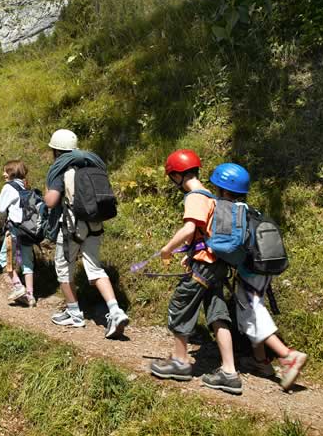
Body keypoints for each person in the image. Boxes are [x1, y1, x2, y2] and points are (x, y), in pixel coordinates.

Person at [209, 163, 308, 391]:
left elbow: (227, 246)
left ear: (224, 190)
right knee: (255, 308)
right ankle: (261, 361)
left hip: (250, 272)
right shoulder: (251, 209)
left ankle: (288, 356)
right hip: (264, 269)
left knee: (252, 313)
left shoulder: (230, 210)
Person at [149, 150, 242, 395]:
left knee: (180, 305)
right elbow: (206, 236)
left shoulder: (195, 196)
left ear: (177, 176)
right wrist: (190, 256)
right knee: (217, 314)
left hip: (204, 266)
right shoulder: (213, 197)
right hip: (217, 265)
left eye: (172, 177)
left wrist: (167, 249)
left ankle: (180, 363)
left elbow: (189, 229)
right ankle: (230, 373)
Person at [44, 129, 129, 339]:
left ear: (56, 151)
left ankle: (74, 313)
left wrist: (48, 189)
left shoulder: (63, 169)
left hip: (73, 225)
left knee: (64, 268)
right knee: (94, 267)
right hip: (95, 222)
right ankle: (116, 311)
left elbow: (51, 201)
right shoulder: (91, 164)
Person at [0, 160, 36, 306]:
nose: (3, 174)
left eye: (6, 171)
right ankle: (31, 295)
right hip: (28, 230)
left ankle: (19, 287)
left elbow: (1, 209)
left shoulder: (8, 187)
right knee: (27, 262)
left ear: (12, 173)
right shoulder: (26, 186)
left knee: (4, 259)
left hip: (13, 230)